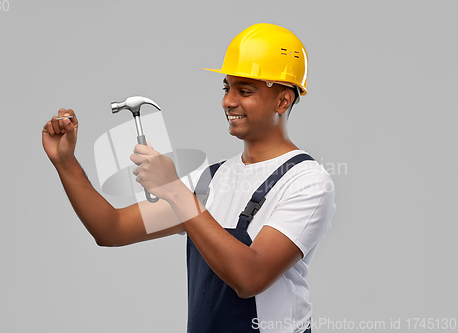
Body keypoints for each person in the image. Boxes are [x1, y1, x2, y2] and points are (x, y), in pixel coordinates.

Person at [42, 23, 335, 333]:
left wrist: (174, 190)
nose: (228, 101)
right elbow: (110, 229)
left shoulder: (307, 183)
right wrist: (65, 162)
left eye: (244, 91)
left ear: (283, 101)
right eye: (227, 88)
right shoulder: (211, 179)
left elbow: (249, 278)